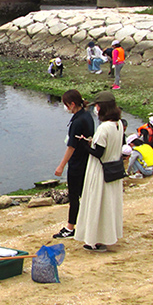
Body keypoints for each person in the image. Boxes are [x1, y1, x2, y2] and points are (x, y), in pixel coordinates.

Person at [74, 91, 125, 252]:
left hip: (100, 170)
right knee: (109, 205)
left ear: (101, 107)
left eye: (96, 106)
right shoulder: (119, 124)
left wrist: (84, 145)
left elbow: (98, 153)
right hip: (113, 167)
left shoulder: (104, 128)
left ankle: (93, 240)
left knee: (96, 203)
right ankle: (107, 235)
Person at [52, 89, 94, 240]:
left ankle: (70, 227)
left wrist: (61, 166)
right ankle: (88, 222)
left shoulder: (77, 122)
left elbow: (71, 146)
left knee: (74, 195)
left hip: (77, 162)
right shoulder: (87, 116)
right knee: (85, 193)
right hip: (88, 159)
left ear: (72, 104)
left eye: (66, 104)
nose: (65, 107)